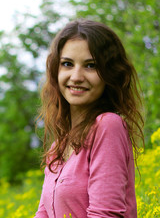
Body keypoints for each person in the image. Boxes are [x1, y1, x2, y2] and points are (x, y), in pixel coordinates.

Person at [34, 19, 144, 218]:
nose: (76, 76)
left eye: (91, 66)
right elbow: (43, 214)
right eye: (67, 64)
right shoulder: (57, 147)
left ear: (109, 74)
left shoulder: (108, 126)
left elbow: (105, 214)